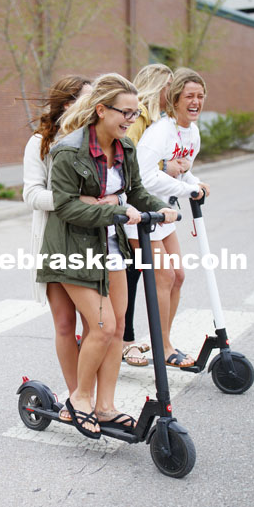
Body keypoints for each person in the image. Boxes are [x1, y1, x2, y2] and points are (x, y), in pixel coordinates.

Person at [37, 73, 178, 439]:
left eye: (135, 114)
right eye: (126, 113)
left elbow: (136, 192)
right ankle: (80, 399)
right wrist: (113, 210)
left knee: (116, 330)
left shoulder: (125, 148)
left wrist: (161, 208)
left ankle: (106, 406)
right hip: (72, 250)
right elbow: (66, 207)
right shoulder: (68, 151)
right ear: (101, 110)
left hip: (111, 247)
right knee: (103, 327)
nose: (131, 120)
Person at [22, 75, 97, 422]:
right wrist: (71, 201)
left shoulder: (95, 141)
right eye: (88, 98)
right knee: (65, 324)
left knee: (94, 324)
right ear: (68, 104)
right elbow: (31, 194)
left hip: (90, 240)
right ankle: (75, 397)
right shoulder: (40, 142)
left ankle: (88, 396)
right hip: (54, 239)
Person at [134, 67, 211, 368]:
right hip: (142, 213)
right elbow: (143, 176)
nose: (195, 102)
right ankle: (161, 347)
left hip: (165, 213)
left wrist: (196, 182)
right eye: (189, 96)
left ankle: (165, 341)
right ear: (175, 99)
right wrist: (185, 188)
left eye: (200, 96)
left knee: (178, 275)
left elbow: (184, 167)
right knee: (163, 277)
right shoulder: (159, 133)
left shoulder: (191, 132)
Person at [119, 63, 182, 367]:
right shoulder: (139, 116)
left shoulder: (160, 119)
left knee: (167, 275)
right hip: (136, 208)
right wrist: (163, 168)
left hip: (155, 207)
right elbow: (130, 163)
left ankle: (158, 342)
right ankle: (132, 341)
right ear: (158, 85)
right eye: (170, 84)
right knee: (134, 277)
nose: (174, 90)